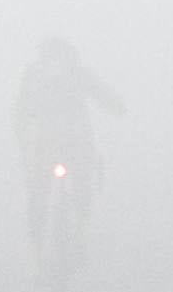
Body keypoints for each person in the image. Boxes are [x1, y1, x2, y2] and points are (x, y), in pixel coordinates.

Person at [11, 37, 124, 264]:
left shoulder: (34, 74)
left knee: (39, 196)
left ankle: (38, 253)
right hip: (77, 141)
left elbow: (20, 109)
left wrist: (21, 132)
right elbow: (104, 96)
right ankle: (80, 234)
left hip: (47, 143)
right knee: (80, 187)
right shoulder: (79, 73)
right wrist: (118, 107)